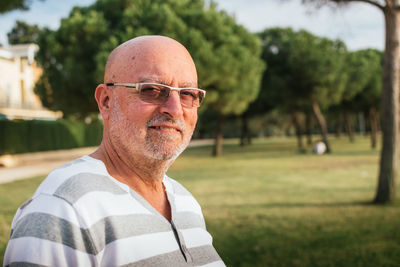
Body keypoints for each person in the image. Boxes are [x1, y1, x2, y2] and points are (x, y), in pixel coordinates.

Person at [4, 36, 225, 267]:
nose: (175, 109)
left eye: (188, 94)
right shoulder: (64, 208)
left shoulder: (185, 201)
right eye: (151, 90)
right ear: (106, 101)